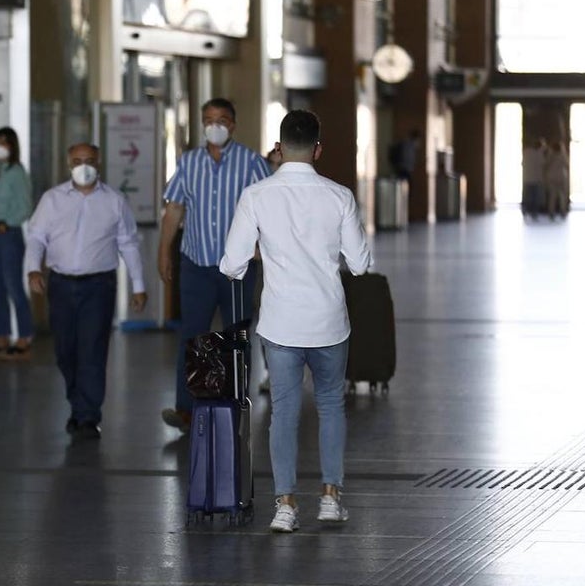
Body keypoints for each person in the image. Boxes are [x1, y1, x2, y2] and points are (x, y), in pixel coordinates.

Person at [219, 109, 371, 533]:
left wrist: (260, 253)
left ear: (280, 149)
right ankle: (330, 497)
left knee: (283, 412)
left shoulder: (256, 196)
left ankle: (285, 505)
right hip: (328, 321)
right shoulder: (339, 196)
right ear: (318, 149)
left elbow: (231, 263)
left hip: (280, 323)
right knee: (330, 405)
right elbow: (360, 264)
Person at [158, 98, 270, 432]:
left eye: (221, 119)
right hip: (196, 264)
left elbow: (269, 209)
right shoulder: (188, 162)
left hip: (238, 267)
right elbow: (174, 210)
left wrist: (264, 250)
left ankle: (234, 407)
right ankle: (187, 409)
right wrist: (164, 252)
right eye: (208, 119)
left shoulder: (252, 163)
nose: (214, 126)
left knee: (236, 337)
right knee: (192, 337)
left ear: (233, 125)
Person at [25, 143, 147, 440]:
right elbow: (36, 237)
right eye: (77, 161)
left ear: (99, 163)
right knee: (66, 351)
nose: (84, 166)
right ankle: (78, 404)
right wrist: (33, 270)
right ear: (69, 164)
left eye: (89, 160)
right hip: (61, 284)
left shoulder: (114, 201)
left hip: (99, 286)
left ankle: (87, 417)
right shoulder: (52, 200)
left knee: (92, 350)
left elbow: (129, 244)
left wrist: (139, 285)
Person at [0, 127, 35, 358]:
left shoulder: (17, 172)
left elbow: (25, 207)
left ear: (12, 146)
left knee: (14, 287)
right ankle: (2, 335)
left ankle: (24, 336)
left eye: (3, 142)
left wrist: (6, 222)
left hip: (8, 234)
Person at [543, 140, 570, 220]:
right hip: (561, 177)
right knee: (562, 196)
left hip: (552, 177)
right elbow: (566, 165)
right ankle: (563, 211)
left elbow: (546, 165)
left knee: (552, 196)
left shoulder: (550, 155)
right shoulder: (563, 155)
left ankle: (551, 212)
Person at [522, 138, 546, 219]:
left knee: (527, 196)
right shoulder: (539, 154)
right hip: (536, 179)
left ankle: (525, 211)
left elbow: (522, 163)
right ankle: (534, 213)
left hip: (527, 178)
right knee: (535, 197)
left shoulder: (526, 152)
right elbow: (543, 165)